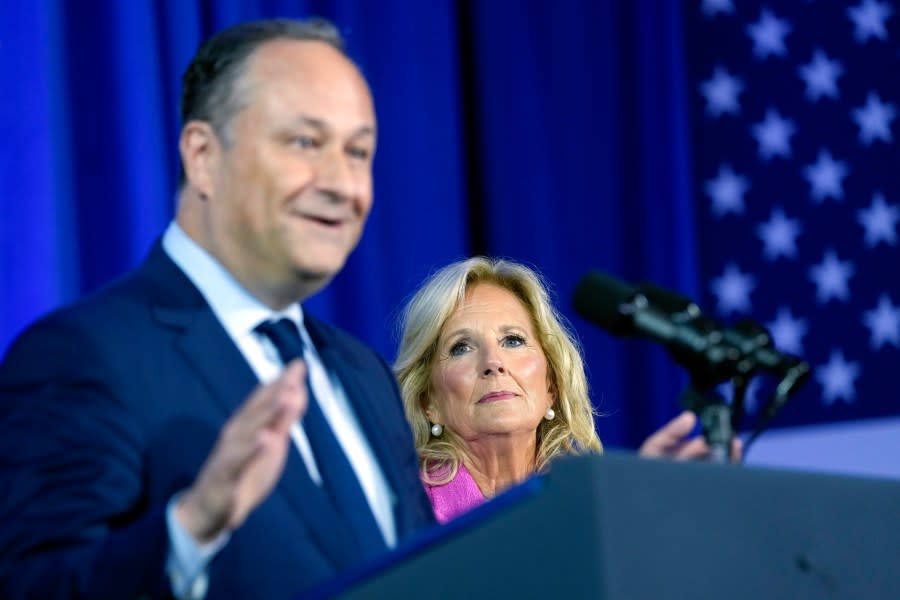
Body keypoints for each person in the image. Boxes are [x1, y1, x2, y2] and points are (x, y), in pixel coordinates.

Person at [0, 18, 434, 600]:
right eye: (304, 142)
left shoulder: (366, 376)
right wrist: (189, 530)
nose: (342, 183)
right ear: (203, 155)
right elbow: (36, 589)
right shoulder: (82, 356)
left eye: (358, 152)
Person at [394, 256, 739, 523]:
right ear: (429, 402)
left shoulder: (591, 502)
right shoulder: (402, 514)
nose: (493, 362)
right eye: (461, 347)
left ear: (551, 386)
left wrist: (641, 512)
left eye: (513, 340)